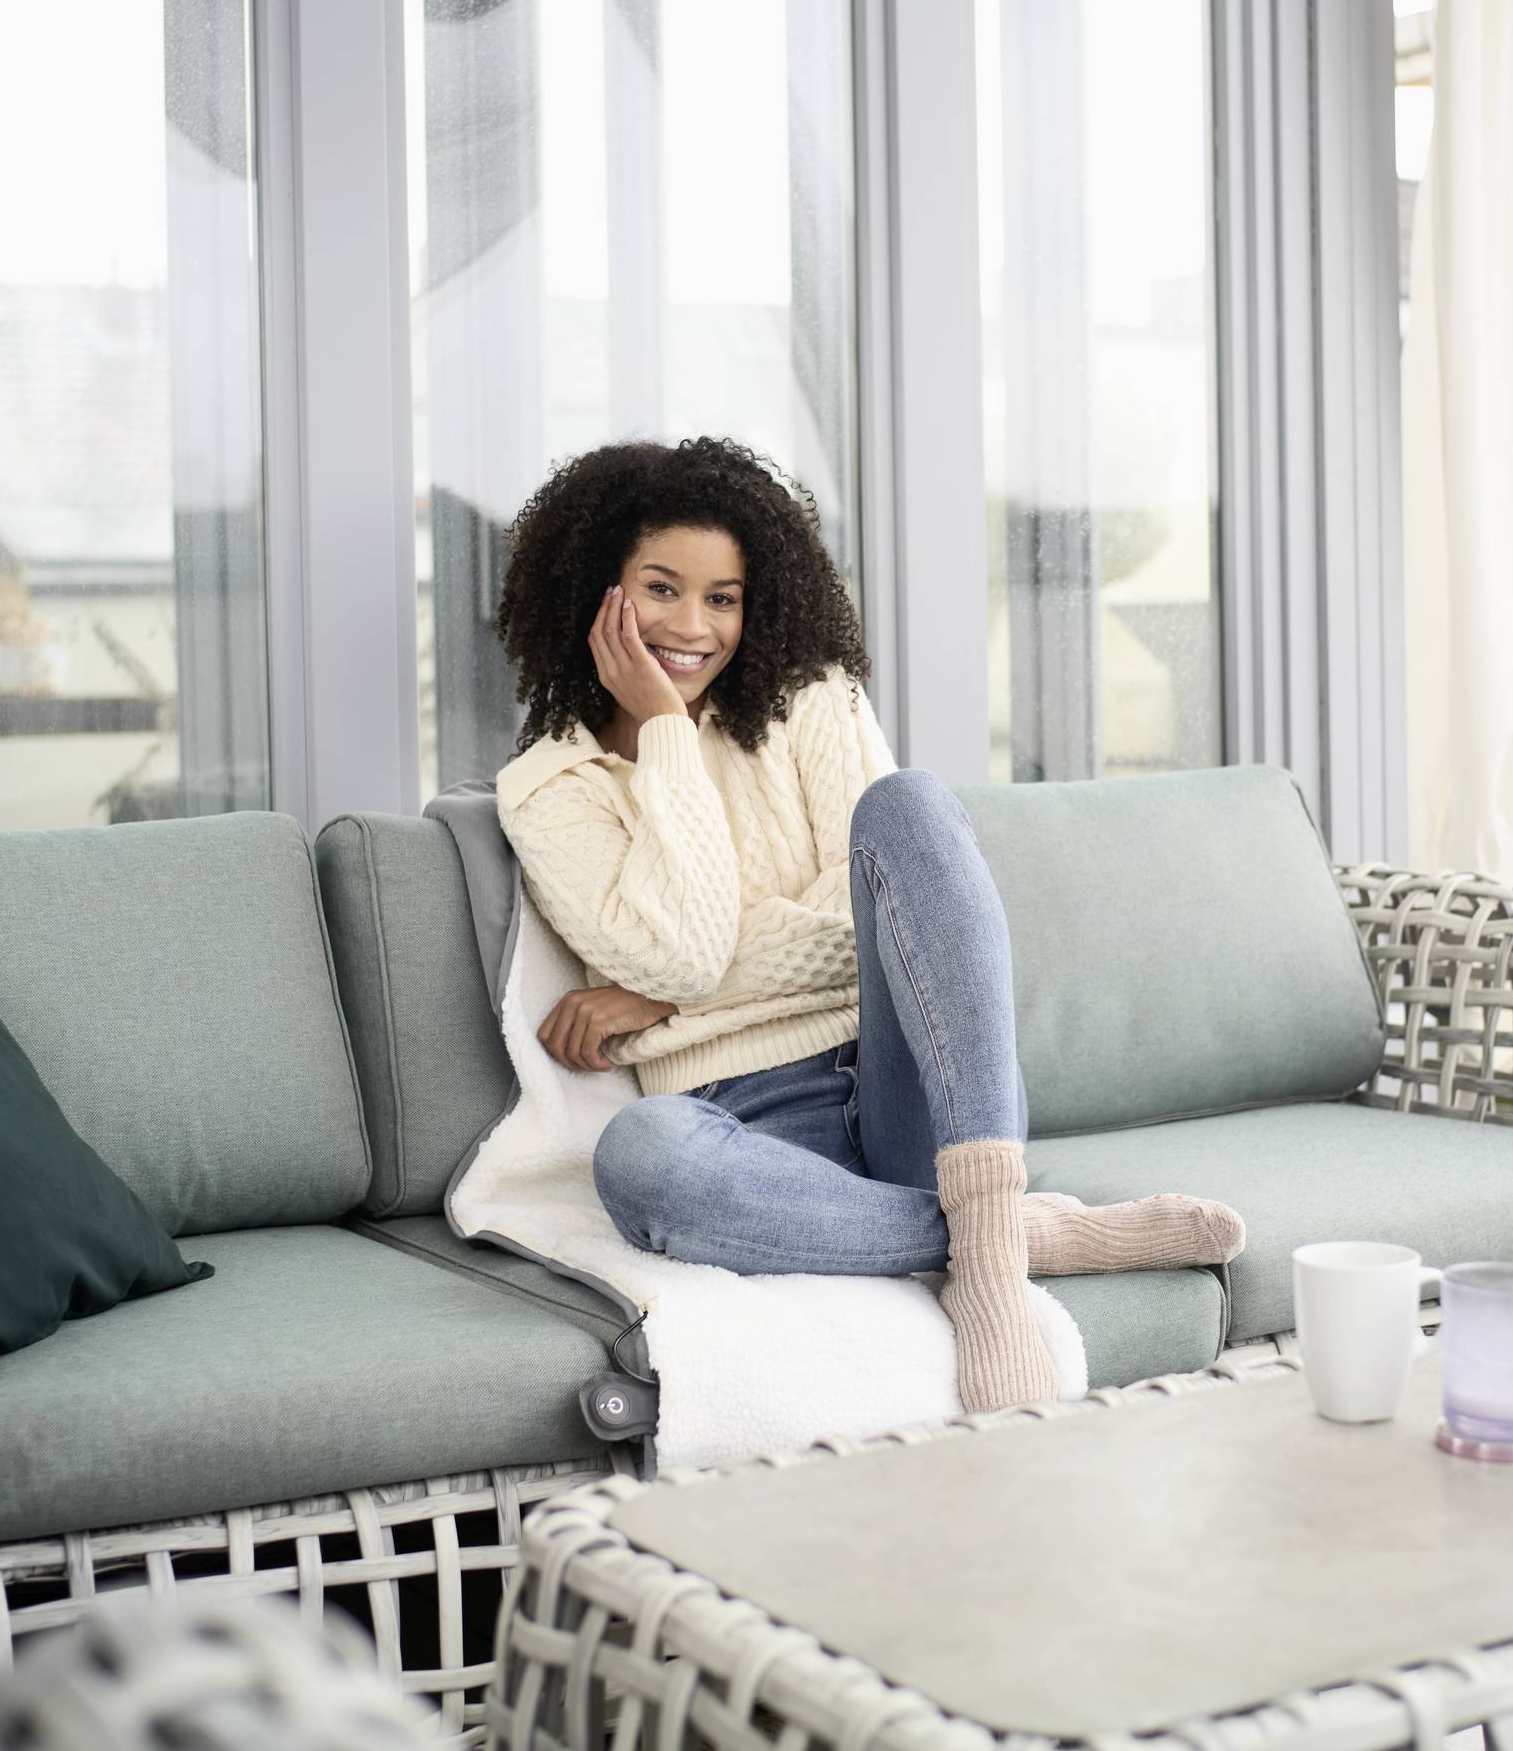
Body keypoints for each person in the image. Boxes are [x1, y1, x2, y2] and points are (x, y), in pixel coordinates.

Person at [491, 437, 1246, 1411]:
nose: (693, 625)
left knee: (911, 807)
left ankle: (988, 1273)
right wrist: (666, 731)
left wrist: (665, 1003)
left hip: (908, 1082)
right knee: (639, 1156)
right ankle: (1014, 1234)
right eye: (661, 589)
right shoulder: (551, 786)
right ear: (598, 590)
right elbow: (680, 948)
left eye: (723, 597)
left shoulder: (810, 697)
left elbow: (870, 924)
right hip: (745, 1132)